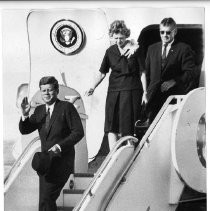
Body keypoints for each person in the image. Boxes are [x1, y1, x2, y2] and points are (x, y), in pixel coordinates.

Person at [19, 76, 84, 211]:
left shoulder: (67, 107)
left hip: (62, 162)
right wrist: (24, 115)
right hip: (45, 164)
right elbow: (25, 130)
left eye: (49, 90)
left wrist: (60, 146)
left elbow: (78, 132)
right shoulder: (39, 110)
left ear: (57, 90)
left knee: (47, 198)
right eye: (43, 91)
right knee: (44, 201)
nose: (46, 94)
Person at [86, 20, 147, 150]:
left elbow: (142, 72)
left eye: (121, 38)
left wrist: (145, 92)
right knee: (111, 125)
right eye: (115, 38)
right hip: (114, 92)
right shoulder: (110, 51)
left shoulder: (135, 49)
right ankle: (112, 156)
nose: (118, 41)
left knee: (129, 126)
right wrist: (92, 87)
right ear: (111, 37)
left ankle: (130, 155)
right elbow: (102, 73)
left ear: (126, 36)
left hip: (132, 91)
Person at [145, 17, 196, 122]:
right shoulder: (152, 49)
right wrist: (145, 93)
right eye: (162, 32)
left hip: (172, 99)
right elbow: (147, 74)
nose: (164, 35)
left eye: (168, 32)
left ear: (175, 31)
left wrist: (174, 81)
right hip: (153, 100)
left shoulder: (183, 48)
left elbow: (190, 73)